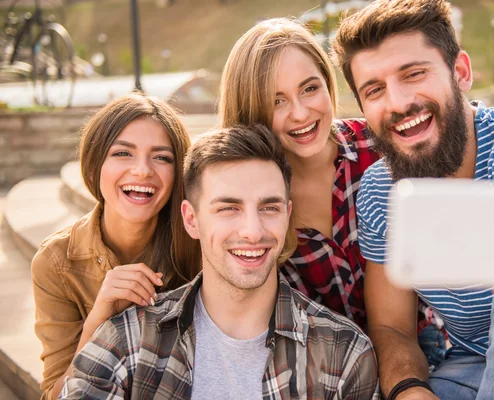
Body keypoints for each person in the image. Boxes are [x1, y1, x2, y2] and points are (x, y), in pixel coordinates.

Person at [331, 1, 494, 399]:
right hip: (476, 364)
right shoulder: (381, 192)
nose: (399, 102)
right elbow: (392, 327)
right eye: (375, 90)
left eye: (415, 74)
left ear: (460, 73)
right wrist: (408, 390)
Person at [58, 125, 380, 400]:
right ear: (191, 220)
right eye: (229, 208)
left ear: (287, 215)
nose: (253, 232)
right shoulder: (127, 343)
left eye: (269, 208)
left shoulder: (344, 354)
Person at [218, 18, 446, 365]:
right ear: (252, 112)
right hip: (323, 367)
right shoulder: (245, 205)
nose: (300, 113)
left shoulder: (382, 149)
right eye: (277, 101)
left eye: (310, 88)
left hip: (419, 343)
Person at [31, 94, 201, 399]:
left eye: (162, 157)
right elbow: (56, 395)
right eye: (123, 153)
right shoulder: (54, 263)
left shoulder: (198, 244)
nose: (142, 170)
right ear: (95, 166)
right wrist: (98, 320)